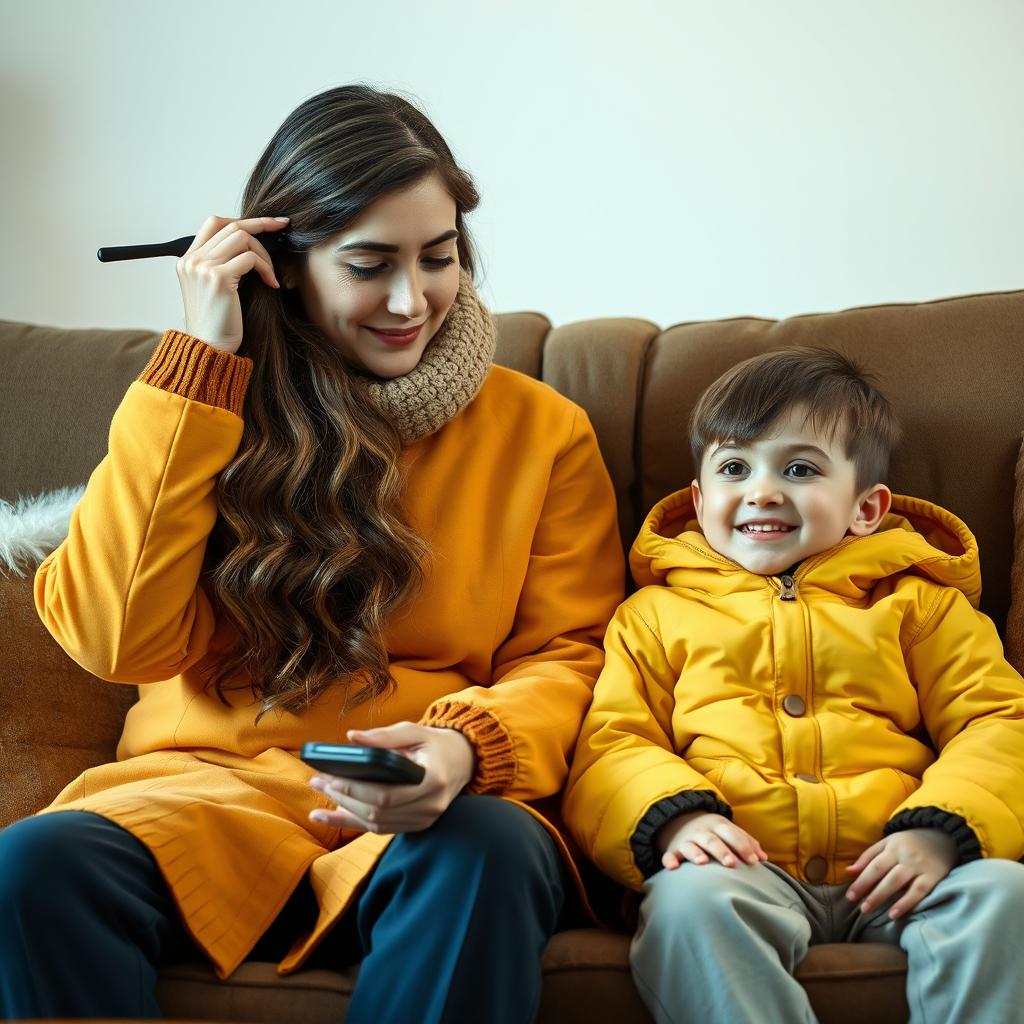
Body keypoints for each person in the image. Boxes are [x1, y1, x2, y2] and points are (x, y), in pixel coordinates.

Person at [0, 85, 624, 1023]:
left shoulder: (544, 433)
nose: (413, 300)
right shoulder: (202, 406)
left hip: (431, 805)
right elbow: (115, 639)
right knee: (31, 867)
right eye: (370, 265)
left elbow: (570, 655)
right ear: (284, 266)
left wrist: (468, 748)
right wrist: (198, 363)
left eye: (440, 258)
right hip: (203, 792)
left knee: (491, 851)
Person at [563, 347, 1024, 1023]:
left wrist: (941, 831)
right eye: (733, 469)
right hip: (741, 872)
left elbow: (997, 720)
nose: (763, 491)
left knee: (1003, 894)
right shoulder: (653, 615)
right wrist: (676, 819)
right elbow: (611, 743)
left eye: (800, 469)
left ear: (866, 508)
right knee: (687, 906)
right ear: (699, 501)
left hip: (898, 867)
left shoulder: (920, 605)